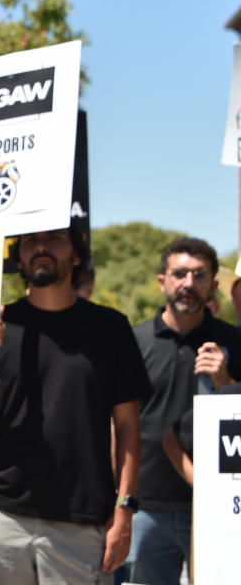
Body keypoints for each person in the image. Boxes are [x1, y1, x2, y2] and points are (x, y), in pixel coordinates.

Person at [0, 228, 149, 585]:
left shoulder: (111, 328)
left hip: (80, 521)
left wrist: (124, 509)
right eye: (31, 242)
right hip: (2, 515)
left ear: (77, 255)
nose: (41, 248)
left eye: (55, 239)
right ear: (18, 259)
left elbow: (128, 427)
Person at [119, 237, 241, 585]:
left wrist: (226, 380)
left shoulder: (234, 341)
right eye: (180, 273)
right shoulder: (132, 341)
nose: (189, 283)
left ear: (214, 285)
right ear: (163, 281)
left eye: (199, 275)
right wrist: (120, 500)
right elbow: (117, 422)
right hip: (146, 505)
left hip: (222, 508)